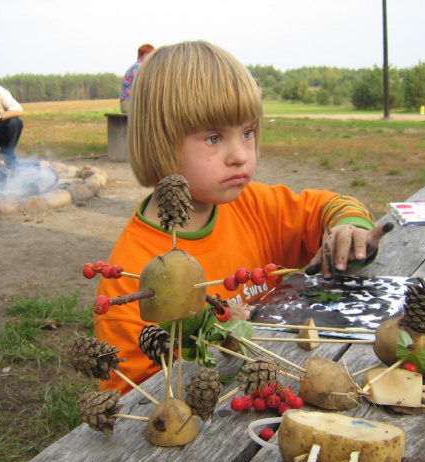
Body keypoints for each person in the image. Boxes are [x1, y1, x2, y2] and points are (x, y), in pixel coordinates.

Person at [95, 41, 391, 395]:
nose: (240, 155)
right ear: (159, 141)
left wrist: (349, 230)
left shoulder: (256, 205)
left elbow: (329, 207)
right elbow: (136, 395)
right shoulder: (128, 278)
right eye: (214, 137)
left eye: (248, 132)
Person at [119, 44, 154, 114]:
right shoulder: (138, 68)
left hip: (133, 103)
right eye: (150, 54)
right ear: (143, 55)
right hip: (129, 103)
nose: (152, 57)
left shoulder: (141, 66)